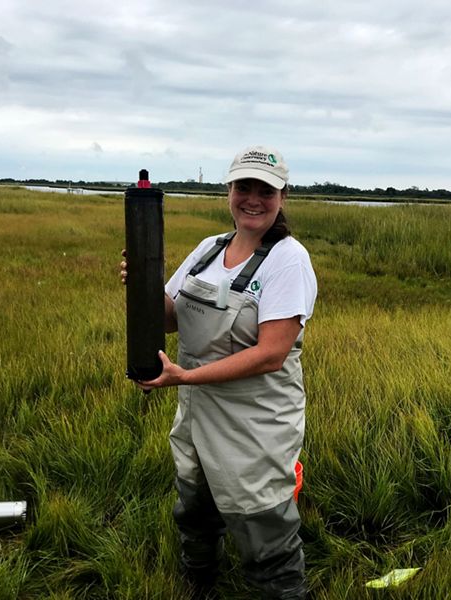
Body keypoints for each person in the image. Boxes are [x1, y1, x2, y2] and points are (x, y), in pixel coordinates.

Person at [121, 146, 317, 599]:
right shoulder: (209, 249)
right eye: (243, 186)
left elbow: (271, 354)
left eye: (265, 190)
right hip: (196, 413)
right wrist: (144, 283)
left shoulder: (289, 260)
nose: (253, 198)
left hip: (255, 421)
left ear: (282, 196)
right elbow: (170, 319)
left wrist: (184, 377)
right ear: (228, 190)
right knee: (194, 508)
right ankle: (200, 583)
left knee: (263, 526)